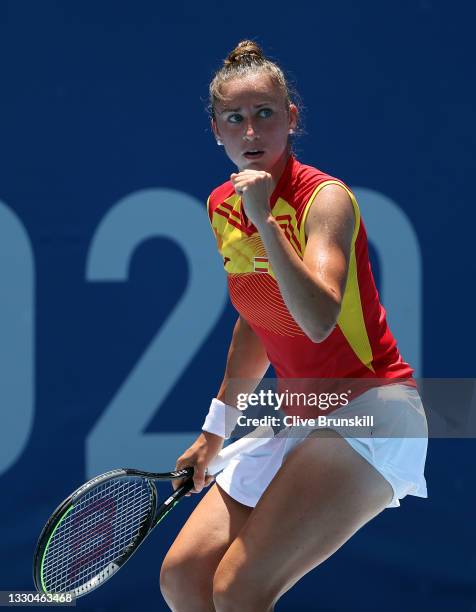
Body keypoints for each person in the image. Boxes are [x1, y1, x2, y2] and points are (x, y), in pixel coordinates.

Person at [159, 40, 428, 612]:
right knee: (184, 578)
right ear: (216, 129)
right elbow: (258, 320)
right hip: (300, 414)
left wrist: (266, 224)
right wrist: (214, 430)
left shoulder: (325, 199)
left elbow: (317, 317)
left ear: (291, 119)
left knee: (238, 590)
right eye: (235, 118)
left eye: (265, 114)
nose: (250, 131)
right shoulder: (219, 206)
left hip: (372, 408)